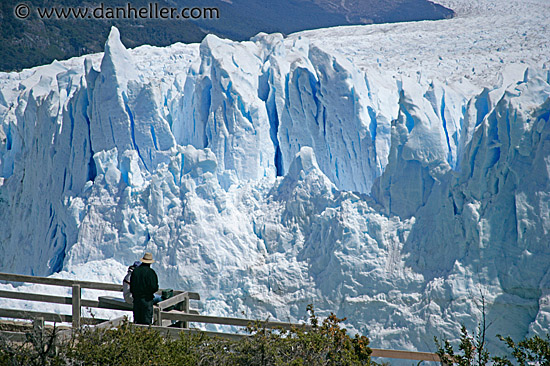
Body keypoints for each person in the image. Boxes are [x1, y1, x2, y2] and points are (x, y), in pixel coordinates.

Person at [130, 252, 159, 325]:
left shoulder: (135, 271)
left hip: (136, 300)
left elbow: (132, 286)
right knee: (146, 322)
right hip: (147, 300)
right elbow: (154, 287)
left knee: (137, 321)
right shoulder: (151, 272)